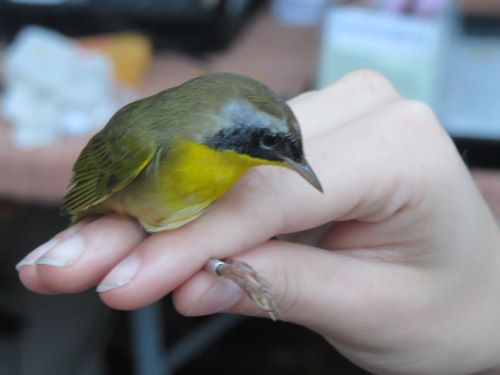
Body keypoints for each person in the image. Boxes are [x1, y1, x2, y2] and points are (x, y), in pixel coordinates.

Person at [16, 70, 500, 374]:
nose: (290, 165)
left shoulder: (233, 164)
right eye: (274, 150)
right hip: (139, 215)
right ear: (234, 134)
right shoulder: (147, 142)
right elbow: (90, 178)